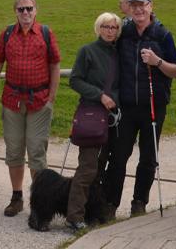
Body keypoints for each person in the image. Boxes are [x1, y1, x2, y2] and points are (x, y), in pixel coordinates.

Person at [0, 0, 61, 217]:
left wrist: (52, 96)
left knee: (37, 151)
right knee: (14, 150)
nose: (25, 13)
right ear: (15, 12)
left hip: (39, 101)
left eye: (29, 8)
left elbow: (55, 65)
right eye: (21, 9)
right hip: (12, 101)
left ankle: (39, 201)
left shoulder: (46, 34)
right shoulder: (7, 33)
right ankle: (17, 197)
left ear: (36, 10)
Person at [106, 0, 176, 217]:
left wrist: (157, 62)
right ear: (129, 8)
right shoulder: (124, 33)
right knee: (118, 156)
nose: (139, 9)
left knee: (148, 157)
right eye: (134, 5)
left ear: (151, 7)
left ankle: (139, 202)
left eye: (143, 4)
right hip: (126, 106)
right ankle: (110, 203)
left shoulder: (162, 35)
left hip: (153, 106)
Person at [67, 12, 121, 231]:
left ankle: (97, 211)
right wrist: (99, 95)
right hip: (92, 114)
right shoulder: (87, 51)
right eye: (106, 26)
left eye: (114, 27)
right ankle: (74, 214)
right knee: (88, 167)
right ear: (98, 28)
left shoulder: (121, 53)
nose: (110, 31)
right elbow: (75, 80)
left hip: (116, 118)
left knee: (107, 167)